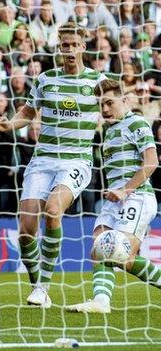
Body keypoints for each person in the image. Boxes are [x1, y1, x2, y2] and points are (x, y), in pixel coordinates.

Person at [0, 22, 107, 308]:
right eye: (64, 45)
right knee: (26, 226)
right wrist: (9, 125)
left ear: (83, 46)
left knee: (53, 210)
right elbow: (28, 112)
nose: (68, 50)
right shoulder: (45, 79)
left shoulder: (98, 82)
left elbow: (114, 112)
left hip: (76, 160)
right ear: (59, 47)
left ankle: (43, 286)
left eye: (73, 45)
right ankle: (37, 286)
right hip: (42, 160)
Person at [66, 79, 160, 313]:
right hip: (115, 200)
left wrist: (124, 189)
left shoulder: (136, 122)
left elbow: (152, 162)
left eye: (109, 103)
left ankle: (101, 302)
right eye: (101, 105)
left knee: (116, 249)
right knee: (101, 247)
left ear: (124, 99)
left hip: (137, 196)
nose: (105, 109)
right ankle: (100, 301)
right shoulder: (109, 131)